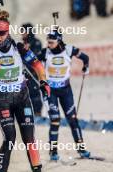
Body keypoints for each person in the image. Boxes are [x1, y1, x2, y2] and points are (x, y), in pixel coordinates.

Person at [0, 11, 50, 172]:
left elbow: (38, 65)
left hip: (22, 98)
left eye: (1, 33)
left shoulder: (19, 48)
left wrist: (43, 81)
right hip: (3, 99)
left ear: (8, 32)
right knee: (10, 138)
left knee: (29, 138)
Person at [37, 29, 91, 161]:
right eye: (48, 42)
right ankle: (53, 151)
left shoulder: (69, 49)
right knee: (55, 120)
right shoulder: (44, 52)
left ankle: (81, 149)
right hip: (50, 91)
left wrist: (86, 67)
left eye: (52, 42)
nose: (49, 44)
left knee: (72, 119)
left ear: (59, 40)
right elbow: (32, 63)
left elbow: (85, 58)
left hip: (66, 90)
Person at [21, 23, 43, 116]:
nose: (21, 33)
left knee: (34, 93)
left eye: (23, 31)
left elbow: (36, 58)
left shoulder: (36, 42)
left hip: (34, 73)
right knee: (24, 95)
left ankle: (37, 112)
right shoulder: (23, 44)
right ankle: (27, 114)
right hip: (25, 74)